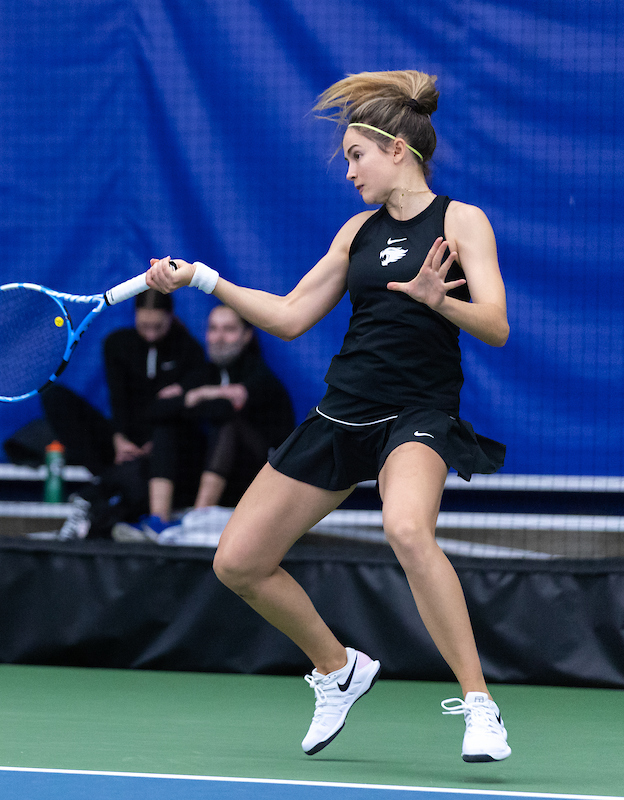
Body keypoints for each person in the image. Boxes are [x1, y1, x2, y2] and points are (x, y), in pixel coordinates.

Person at [145, 70, 511, 763]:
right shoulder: (355, 233)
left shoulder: (462, 221)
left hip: (419, 413)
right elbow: (287, 317)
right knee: (239, 561)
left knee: (406, 528)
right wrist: (200, 277)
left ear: (398, 149)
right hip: (343, 411)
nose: (348, 172)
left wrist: (440, 301)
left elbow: (495, 325)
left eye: (355, 156)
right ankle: (337, 668)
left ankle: (481, 706)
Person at [42, 290, 207, 539]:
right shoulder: (117, 344)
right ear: (135, 317)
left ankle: (101, 498)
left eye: (158, 326)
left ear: (171, 317)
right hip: (122, 447)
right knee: (54, 396)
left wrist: (157, 446)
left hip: (163, 456)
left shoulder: (189, 350)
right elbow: (117, 398)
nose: (150, 333)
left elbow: (180, 412)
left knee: (165, 436)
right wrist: (119, 439)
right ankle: (112, 483)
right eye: (144, 326)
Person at [171, 304, 295, 512]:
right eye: (213, 329)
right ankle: (159, 519)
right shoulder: (203, 372)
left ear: (246, 336)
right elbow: (168, 404)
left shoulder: (259, 373)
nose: (219, 337)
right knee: (170, 428)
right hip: (209, 471)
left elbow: (233, 401)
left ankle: (200, 515)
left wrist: (200, 395)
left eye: (228, 329)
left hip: (260, 474)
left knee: (226, 420)